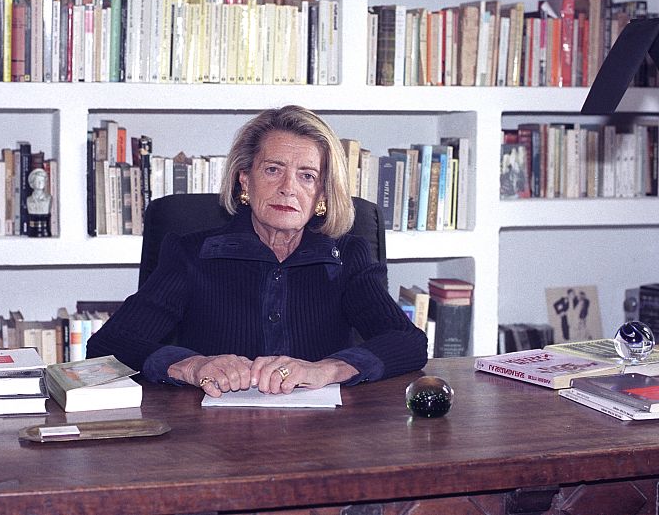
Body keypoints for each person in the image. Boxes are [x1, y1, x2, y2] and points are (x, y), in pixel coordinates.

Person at [86, 105, 428, 397]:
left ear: (322, 194)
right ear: (245, 180)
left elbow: (407, 342)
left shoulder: (347, 256)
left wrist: (326, 369)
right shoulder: (192, 254)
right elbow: (108, 345)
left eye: (307, 176)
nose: (288, 188)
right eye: (273, 169)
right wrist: (193, 366)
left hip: (321, 434)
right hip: (210, 436)